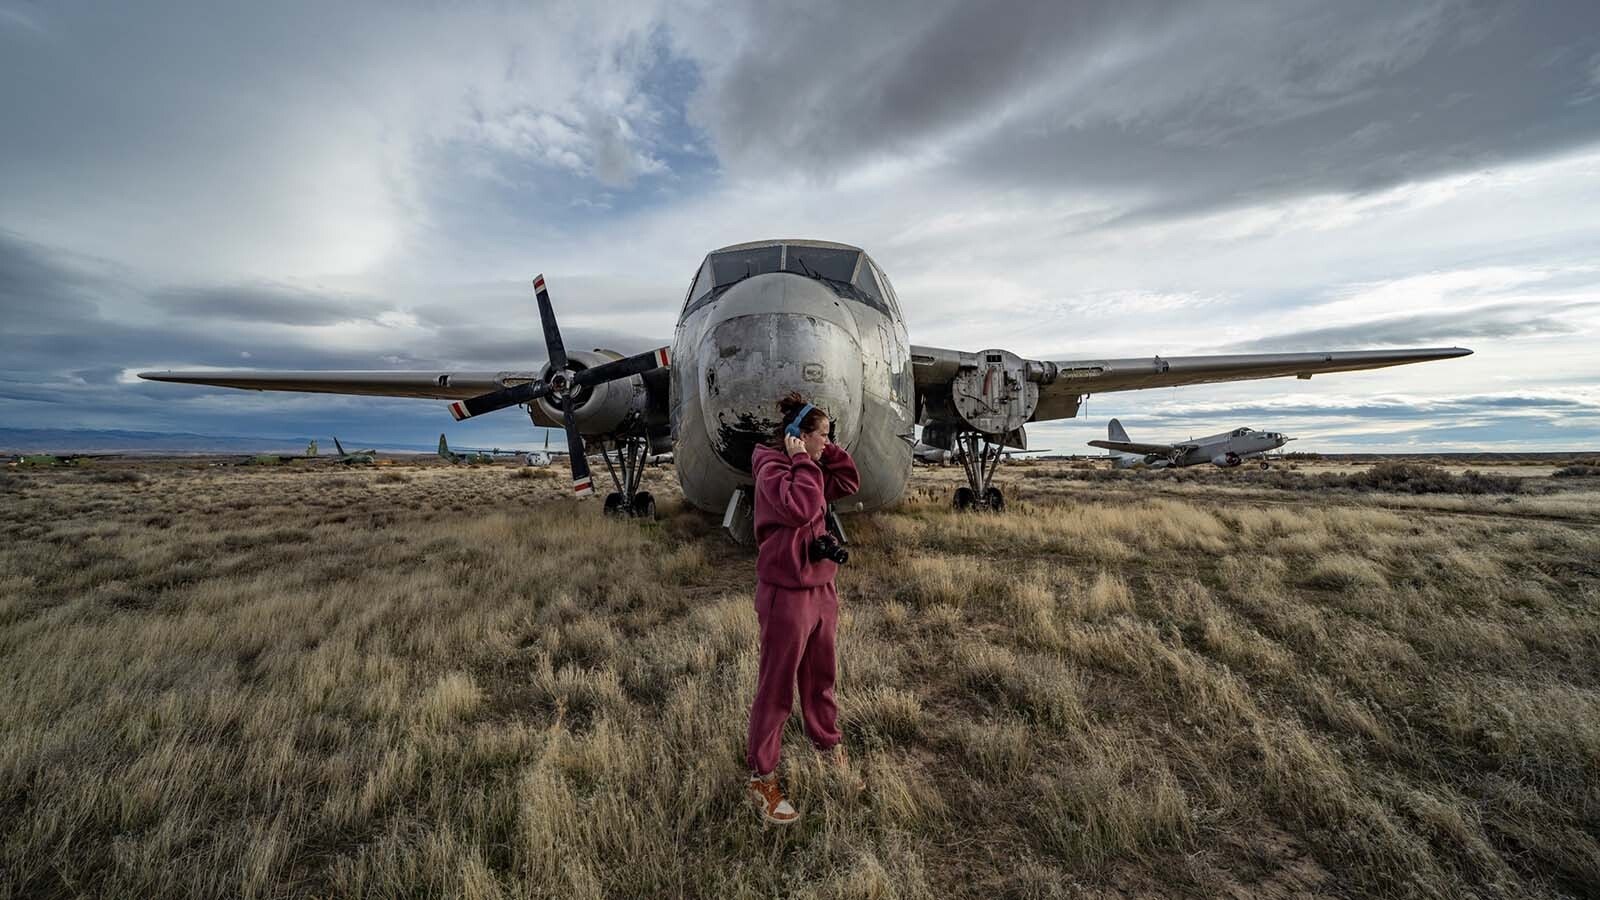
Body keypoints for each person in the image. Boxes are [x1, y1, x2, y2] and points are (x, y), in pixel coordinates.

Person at [744, 392, 862, 825]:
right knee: (776, 690)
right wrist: (803, 460)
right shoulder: (773, 469)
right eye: (823, 436)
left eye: (831, 437)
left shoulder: (810, 466)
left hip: (821, 587)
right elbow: (802, 508)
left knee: (821, 680)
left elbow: (849, 482)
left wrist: (823, 454)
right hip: (786, 595)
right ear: (797, 437)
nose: (828, 445)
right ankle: (762, 778)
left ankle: (828, 750)